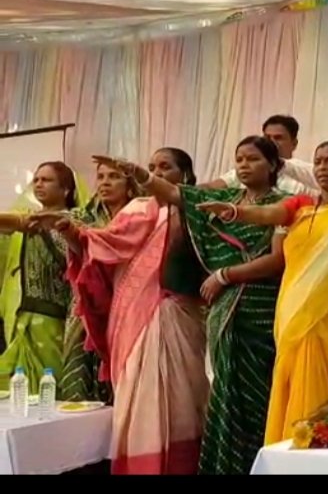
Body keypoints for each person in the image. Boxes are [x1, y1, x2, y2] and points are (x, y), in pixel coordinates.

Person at [195, 141, 328, 444]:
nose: (322, 168)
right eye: (318, 161)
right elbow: (267, 214)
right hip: (293, 317)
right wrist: (233, 211)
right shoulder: (301, 208)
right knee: (293, 385)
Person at [107, 137, 288, 474]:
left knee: (259, 393)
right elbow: (176, 194)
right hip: (223, 310)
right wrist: (138, 173)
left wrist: (225, 274)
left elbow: (278, 260)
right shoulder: (223, 199)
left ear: (273, 165)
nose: (244, 165)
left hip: (260, 309)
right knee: (225, 390)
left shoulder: (285, 204)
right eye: (239, 159)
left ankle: (263, 465)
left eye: (253, 159)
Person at [41, 147, 210, 475]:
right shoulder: (137, 210)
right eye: (151, 166)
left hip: (178, 317)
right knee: (138, 400)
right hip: (134, 321)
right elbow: (103, 245)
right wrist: (68, 230)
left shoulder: (196, 209)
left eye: (165, 167)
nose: (156, 173)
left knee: (181, 406)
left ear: (186, 175)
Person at [58, 161, 136, 402]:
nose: (105, 182)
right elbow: (78, 249)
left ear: (130, 185)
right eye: (101, 177)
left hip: (127, 306)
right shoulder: (81, 217)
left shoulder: (139, 217)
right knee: (77, 376)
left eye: (114, 176)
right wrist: (70, 233)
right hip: (87, 307)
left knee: (124, 381)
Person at [0, 162, 80, 393]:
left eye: (46, 180)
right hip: (24, 315)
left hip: (58, 318)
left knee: (53, 385)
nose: (38, 184)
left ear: (66, 189)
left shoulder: (75, 222)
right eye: (36, 180)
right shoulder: (26, 220)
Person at [206, 115, 317, 194]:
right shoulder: (246, 170)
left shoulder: (308, 171)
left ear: (294, 143)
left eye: (278, 138)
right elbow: (211, 187)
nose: (271, 142)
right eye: (267, 137)